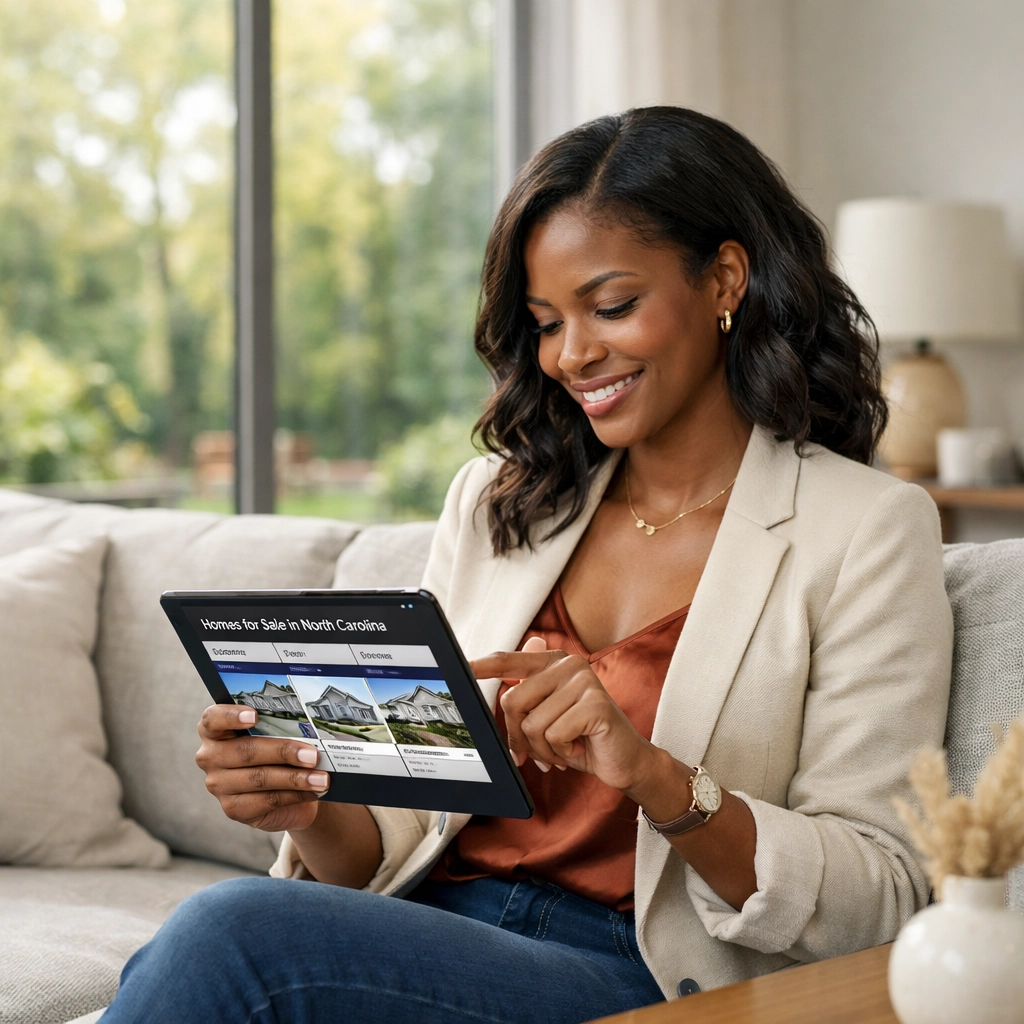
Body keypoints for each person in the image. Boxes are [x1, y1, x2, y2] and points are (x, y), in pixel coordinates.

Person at [102, 107, 952, 1024]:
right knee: (220, 941)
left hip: (634, 970)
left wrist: (656, 778)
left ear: (726, 279)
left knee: (229, 937)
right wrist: (305, 801)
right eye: (547, 323)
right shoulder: (501, 501)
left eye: (612, 306)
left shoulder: (865, 529)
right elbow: (387, 844)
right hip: (431, 930)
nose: (573, 356)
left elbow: (886, 892)